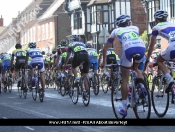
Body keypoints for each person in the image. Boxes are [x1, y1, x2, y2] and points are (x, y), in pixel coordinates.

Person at [102, 14, 146, 116]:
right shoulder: (135, 28)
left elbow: (105, 49)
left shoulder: (115, 31)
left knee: (125, 78)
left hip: (128, 48)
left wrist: (104, 64)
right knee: (136, 69)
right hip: (141, 47)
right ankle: (143, 89)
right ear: (128, 23)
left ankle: (125, 108)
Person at [146, 10, 175, 93]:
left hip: (173, 47)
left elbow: (151, 46)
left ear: (157, 20)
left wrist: (148, 58)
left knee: (159, 60)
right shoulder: (173, 24)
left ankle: (169, 79)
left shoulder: (156, 27)